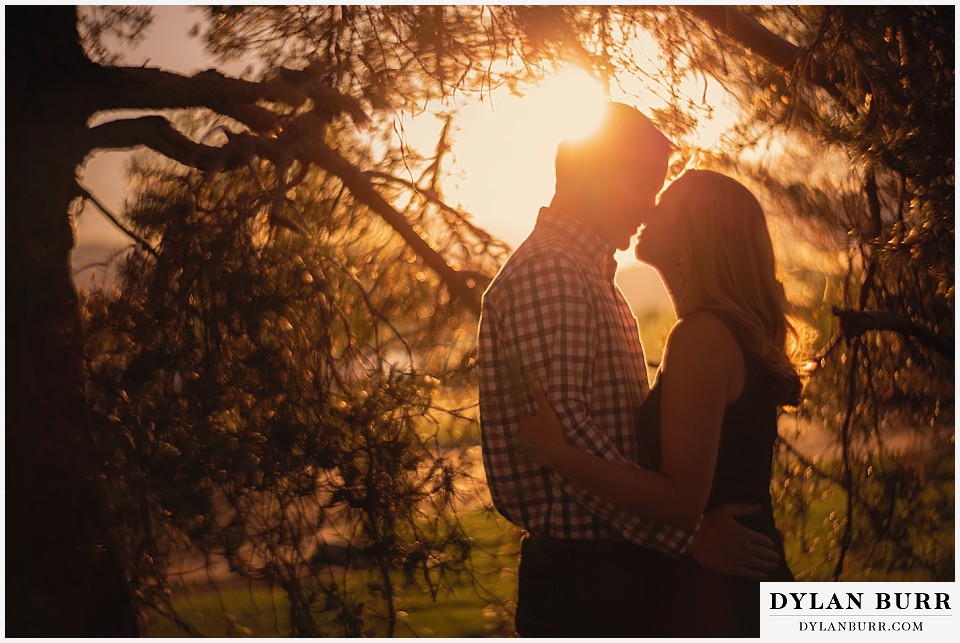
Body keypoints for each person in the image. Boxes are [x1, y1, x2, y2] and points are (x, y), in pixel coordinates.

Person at [477, 103, 782, 638]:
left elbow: (580, 442)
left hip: (622, 573)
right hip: (586, 580)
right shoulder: (553, 272)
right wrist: (685, 539)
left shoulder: (591, 278)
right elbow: (567, 433)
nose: (648, 206)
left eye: (660, 195)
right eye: (644, 186)